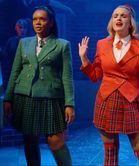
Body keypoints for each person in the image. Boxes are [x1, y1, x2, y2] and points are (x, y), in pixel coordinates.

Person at [78, 4, 139, 166]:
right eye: (115, 15)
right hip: (107, 99)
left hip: (131, 100)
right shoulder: (102, 44)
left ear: (130, 22)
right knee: (109, 151)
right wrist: (84, 59)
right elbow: (95, 76)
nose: (119, 18)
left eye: (123, 16)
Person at [3, 5, 75, 166]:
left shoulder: (62, 45)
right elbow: (15, 71)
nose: (38, 22)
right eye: (35, 19)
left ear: (50, 22)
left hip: (50, 98)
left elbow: (67, 76)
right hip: (25, 96)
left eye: (42, 19)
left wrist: (69, 103)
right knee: (29, 140)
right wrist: (8, 98)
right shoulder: (24, 43)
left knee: (56, 141)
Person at [1, 18, 31, 91]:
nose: (22, 30)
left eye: (24, 28)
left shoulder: (31, 42)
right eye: (20, 27)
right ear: (16, 28)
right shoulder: (11, 41)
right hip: (12, 77)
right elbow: (5, 59)